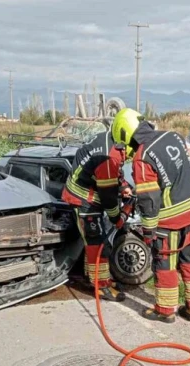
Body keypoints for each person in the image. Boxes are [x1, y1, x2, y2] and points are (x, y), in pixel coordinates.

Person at [112, 108, 190, 323]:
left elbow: (149, 200)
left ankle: (165, 311)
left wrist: (148, 231)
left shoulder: (142, 157)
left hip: (171, 218)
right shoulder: (171, 136)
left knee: (164, 261)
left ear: (126, 134)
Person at [61, 121, 133, 301]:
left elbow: (114, 171)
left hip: (87, 193)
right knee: (97, 242)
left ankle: (92, 277)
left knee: (94, 241)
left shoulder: (109, 140)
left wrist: (123, 186)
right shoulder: (109, 156)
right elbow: (109, 200)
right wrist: (118, 217)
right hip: (84, 199)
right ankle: (100, 286)